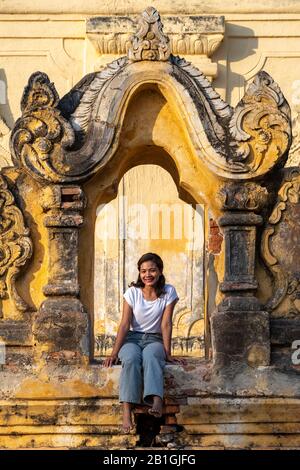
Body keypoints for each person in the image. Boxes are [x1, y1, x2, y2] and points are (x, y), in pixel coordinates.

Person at [104, 252, 182, 433]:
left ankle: (156, 400)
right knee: (130, 358)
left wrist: (168, 352)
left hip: (154, 339)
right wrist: (114, 353)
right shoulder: (132, 293)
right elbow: (124, 324)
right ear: (139, 273)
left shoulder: (168, 292)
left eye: (152, 270)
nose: (148, 275)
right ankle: (126, 410)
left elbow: (166, 323)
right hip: (132, 338)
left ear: (160, 271)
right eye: (143, 271)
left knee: (152, 355)